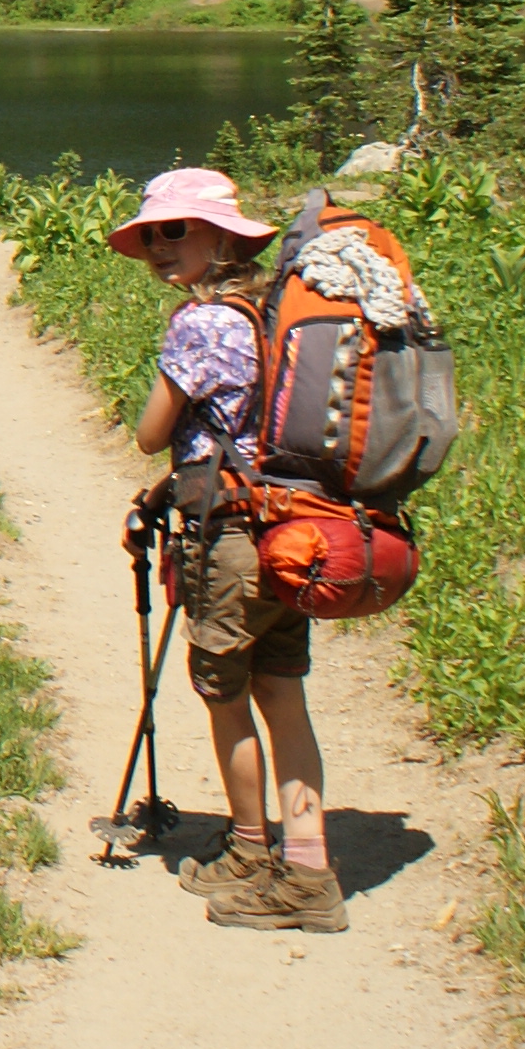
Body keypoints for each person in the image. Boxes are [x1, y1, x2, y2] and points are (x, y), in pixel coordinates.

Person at [109, 165, 347, 934]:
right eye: (150, 233)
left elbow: (152, 432)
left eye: (175, 230)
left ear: (223, 238)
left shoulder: (199, 323)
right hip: (287, 528)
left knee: (225, 693)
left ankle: (250, 853)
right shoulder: (265, 310)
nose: (158, 246)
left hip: (231, 540)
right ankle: (308, 865)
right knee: (283, 694)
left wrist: (160, 451)